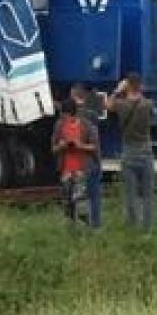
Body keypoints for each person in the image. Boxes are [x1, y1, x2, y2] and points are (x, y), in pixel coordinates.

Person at [106, 72, 155, 232]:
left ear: (126, 86)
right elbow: (154, 113)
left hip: (129, 152)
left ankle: (132, 226)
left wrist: (117, 90)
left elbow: (108, 106)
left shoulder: (121, 105)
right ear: (140, 86)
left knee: (130, 194)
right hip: (146, 152)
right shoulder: (148, 104)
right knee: (147, 194)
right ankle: (147, 229)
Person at [52, 96, 98, 226]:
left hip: (80, 169)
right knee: (67, 202)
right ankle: (70, 228)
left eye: (66, 116)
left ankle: (85, 227)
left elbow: (94, 146)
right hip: (65, 169)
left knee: (80, 201)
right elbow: (53, 148)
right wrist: (61, 146)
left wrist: (80, 145)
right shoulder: (59, 126)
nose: (65, 119)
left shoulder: (85, 126)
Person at [71, 83, 104, 228]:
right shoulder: (92, 114)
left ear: (73, 95)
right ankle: (95, 225)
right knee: (94, 195)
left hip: (78, 160)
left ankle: (80, 224)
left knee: (78, 195)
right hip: (92, 159)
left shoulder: (72, 116)